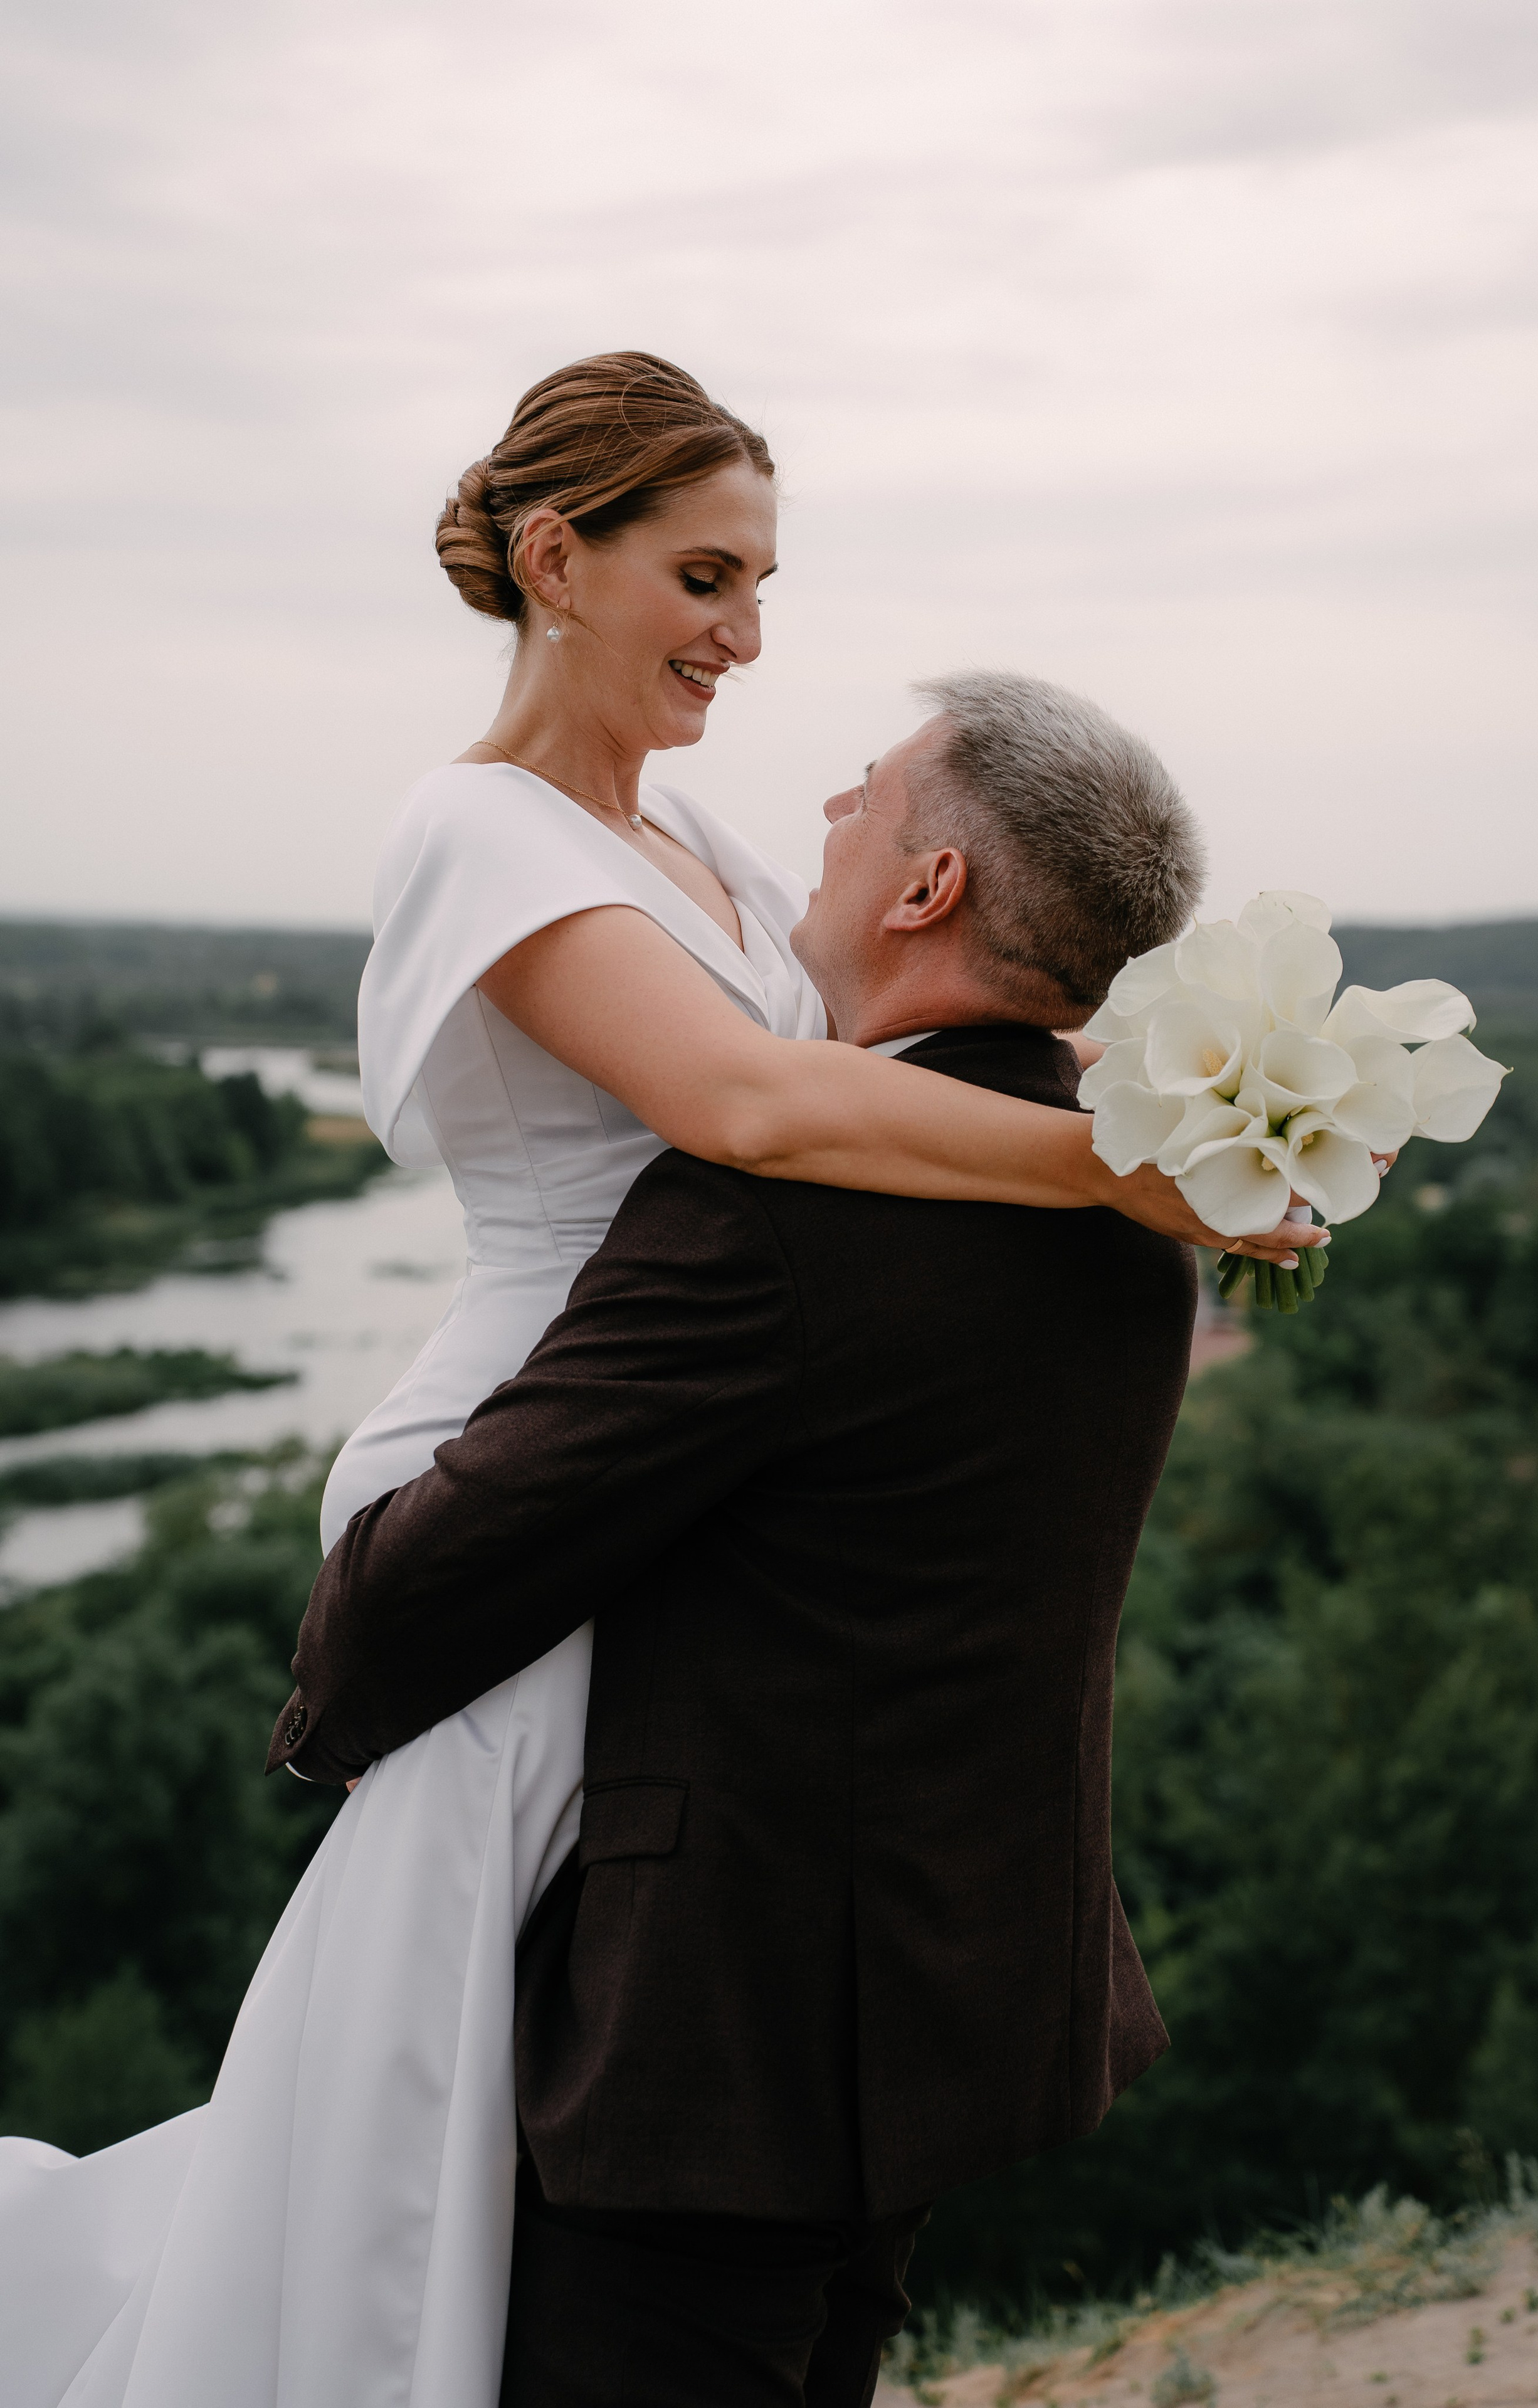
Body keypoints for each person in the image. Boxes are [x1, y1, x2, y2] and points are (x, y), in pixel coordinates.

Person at [0, 354, 1314, 2408]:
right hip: (526, 1430)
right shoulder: (476, 827)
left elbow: (851, 1078)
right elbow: (750, 1104)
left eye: (765, 582)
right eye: (706, 574)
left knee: (502, 2052)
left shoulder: (689, 829)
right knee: (430, 2057)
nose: (750, 638)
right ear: (557, 559)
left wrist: (1193, 1134)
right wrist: (1138, 1162)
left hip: (681, 1459)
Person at [273, 677, 1213, 2405]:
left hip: (712, 2048)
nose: (826, 822)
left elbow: (447, 1575)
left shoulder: (778, 1214)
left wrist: (334, 1701)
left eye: (863, 795)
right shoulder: (1144, 1218)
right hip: (959, 2001)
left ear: (927, 889)